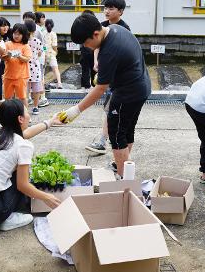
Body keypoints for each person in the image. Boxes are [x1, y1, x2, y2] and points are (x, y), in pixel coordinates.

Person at [59, 12, 150, 179]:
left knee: (116, 136)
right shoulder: (114, 28)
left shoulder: (110, 52)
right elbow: (103, 52)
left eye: (86, 43)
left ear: (95, 34)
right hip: (141, 87)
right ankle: (122, 167)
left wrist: (76, 110)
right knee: (127, 130)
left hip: (127, 93)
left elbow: (100, 89)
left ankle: (125, 180)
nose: (86, 47)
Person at [0, 99, 61, 230]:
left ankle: (1, 212)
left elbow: (25, 134)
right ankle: (6, 217)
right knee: (22, 176)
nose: (28, 115)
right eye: (26, 112)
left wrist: (50, 122)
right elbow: (23, 186)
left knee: (11, 168)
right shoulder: (23, 146)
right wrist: (46, 197)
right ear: (20, 118)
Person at [85, 0, 132, 156]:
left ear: (121, 11)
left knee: (111, 109)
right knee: (110, 109)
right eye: (105, 8)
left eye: (111, 8)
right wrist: (96, 61)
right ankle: (106, 140)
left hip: (120, 78)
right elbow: (97, 46)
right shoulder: (102, 26)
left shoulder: (124, 29)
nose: (107, 11)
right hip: (109, 75)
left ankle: (103, 141)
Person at [2, 23, 31, 106]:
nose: (16, 36)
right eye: (15, 33)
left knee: (22, 97)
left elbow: (27, 59)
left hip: (21, 77)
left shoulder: (25, 46)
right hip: (8, 76)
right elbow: (3, 58)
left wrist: (18, 56)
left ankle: (25, 115)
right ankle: (8, 115)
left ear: (24, 35)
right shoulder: (7, 44)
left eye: (19, 34)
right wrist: (8, 55)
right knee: (7, 97)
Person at [25, 19, 44, 115]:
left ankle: (25, 108)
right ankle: (36, 107)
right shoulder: (37, 41)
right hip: (35, 67)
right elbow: (40, 53)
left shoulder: (22, 42)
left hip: (24, 68)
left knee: (26, 90)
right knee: (36, 89)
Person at [34, 11, 49, 107]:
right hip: (38, 58)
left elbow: (44, 45)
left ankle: (40, 97)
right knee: (40, 78)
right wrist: (44, 52)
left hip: (39, 57)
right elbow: (43, 45)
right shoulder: (38, 30)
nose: (44, 20)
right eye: (42, 18)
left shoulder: (40, 29)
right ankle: (42, 98)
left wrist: (44, 52)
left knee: (39, 77)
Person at [80, 9, 97, 90]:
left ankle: (85, 86)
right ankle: (94, 85)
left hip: (85, 49)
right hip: (94, 49)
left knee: (85, 68)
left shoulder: (81, 26)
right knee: (94, 67)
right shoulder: (95, 26)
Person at [44, 19, 63, 89]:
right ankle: (59, 83)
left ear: (45, 25)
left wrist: (45, 51)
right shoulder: (53, 34)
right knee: (55, 69)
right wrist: (56, 51)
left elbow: (43, 45)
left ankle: (42, 83)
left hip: (44, 54)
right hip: (51, 53)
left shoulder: (43, 33)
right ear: (52, 25)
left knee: (42, 69)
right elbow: (54, 45)